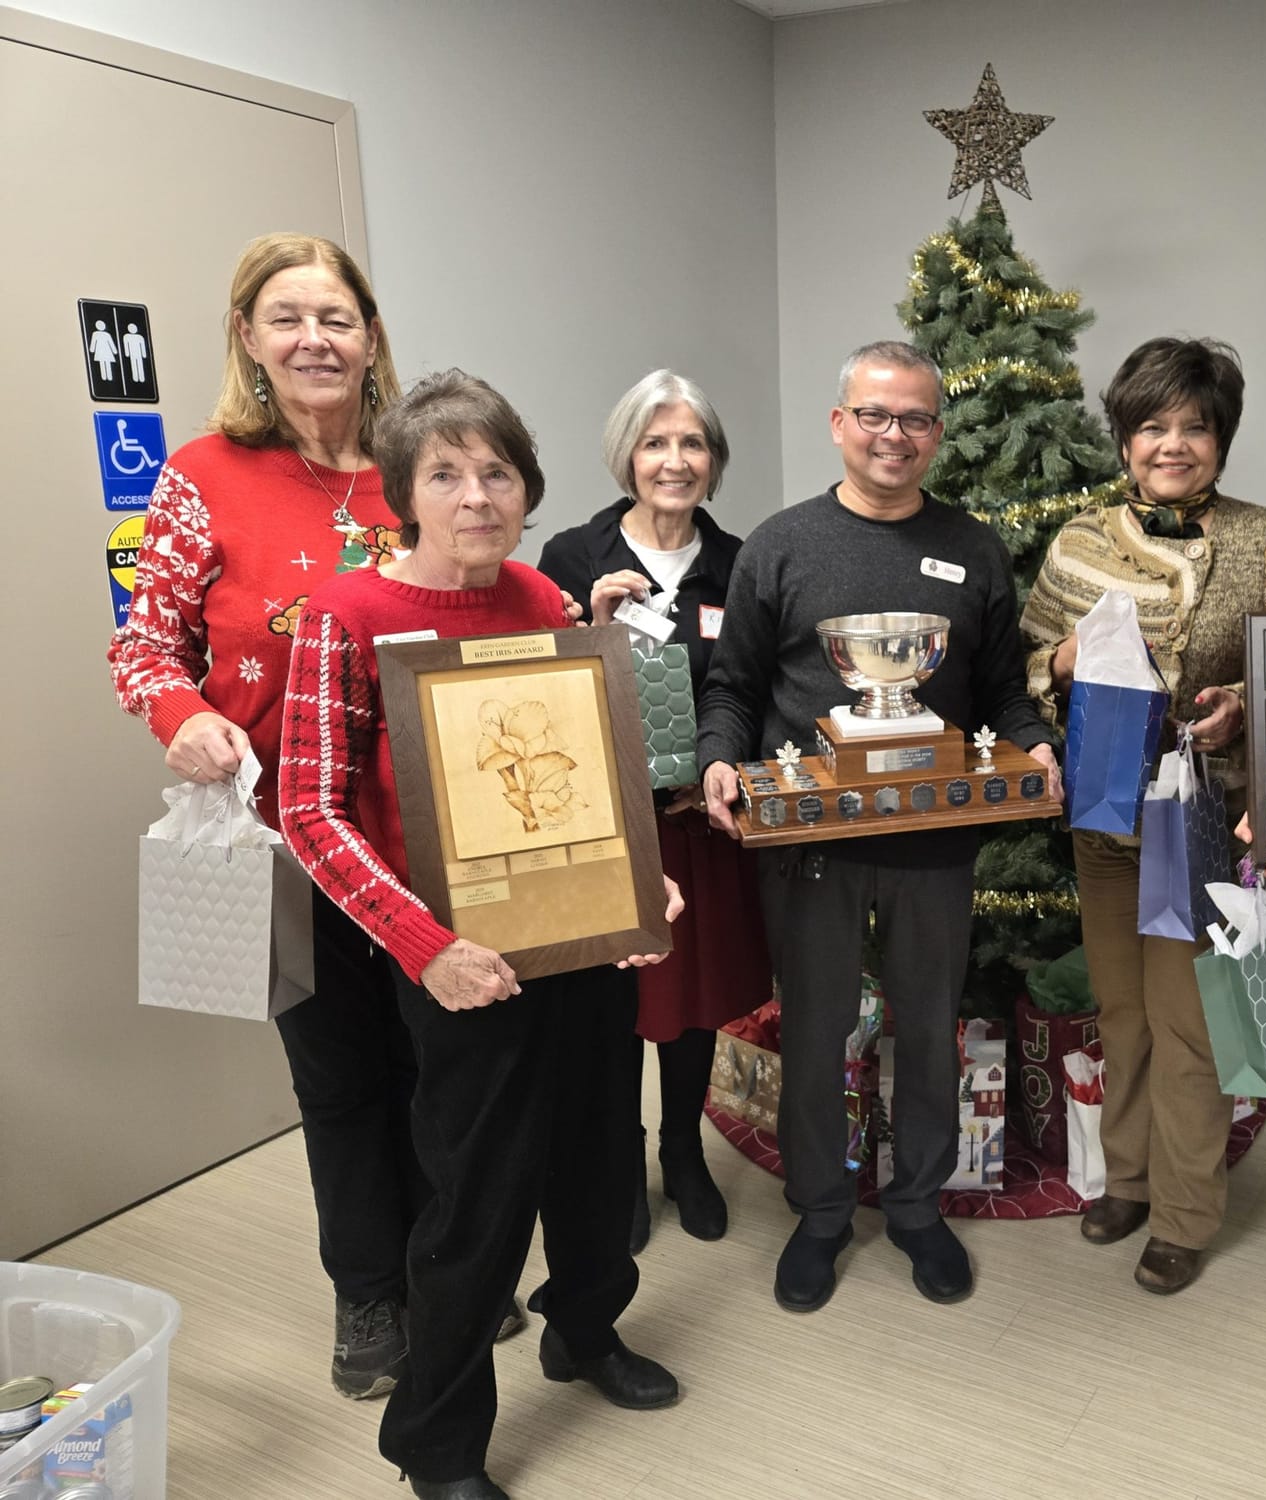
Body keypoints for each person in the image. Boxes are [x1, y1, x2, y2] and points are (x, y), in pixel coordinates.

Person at [279, 371, 685, 1500]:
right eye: (447, 474)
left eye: (497, 471)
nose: (477, 495)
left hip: (585, 944)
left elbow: (597, 770)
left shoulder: (541, 602)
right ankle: (437, 1443)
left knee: (604, 1164)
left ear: (526, 487)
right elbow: (307, 810)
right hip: (461, 968)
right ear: (404, 492)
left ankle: (585, 1331)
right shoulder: (347, 618)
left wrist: (645, 888)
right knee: (476, 1203)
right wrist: (425, 947)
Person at [106, 232, 480, 1400]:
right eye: (287, 318)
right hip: (289, 840)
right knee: (340, 1074)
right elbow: (142, 643)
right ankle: (369, 1292)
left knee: (446, 1061)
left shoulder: (418, 465)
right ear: (249, 339)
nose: (315, 339)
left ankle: (451, 1269)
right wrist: (175, 713)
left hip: (428, 832)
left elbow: (480, 602)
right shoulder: (203, 473)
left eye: (337, 316)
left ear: (371, 336)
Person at [699, 340, 1060, 1313]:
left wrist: (1034, 745)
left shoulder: (974, 548)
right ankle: (819, 1212)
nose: (893, 435)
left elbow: (999, 689)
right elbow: (732, 686)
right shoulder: (779, 545)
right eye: (874, 415)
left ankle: (913, 1207)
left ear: (937, 432)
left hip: (931, 836)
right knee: (814, 1031)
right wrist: (718, 758)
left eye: (914, 419)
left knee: (928, 1028)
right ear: (838, 423)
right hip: (811, 842)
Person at [1020, 336, 1266, 1294]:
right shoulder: (1078, 539)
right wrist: (1063, 664)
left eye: (1193, 427)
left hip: (1195, 822)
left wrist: (1244, 701)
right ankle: (1125, 1179)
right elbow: (1031, 669)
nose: (1172, 444)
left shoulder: (1265, 538)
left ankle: (1187, 1212)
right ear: (1125, 441)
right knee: (1121, 1012)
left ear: (1221, 439)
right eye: (1152, 426)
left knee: (1186, 1019)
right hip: (1104, 821)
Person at [538, 370, 770, 1252]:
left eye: (693, 444)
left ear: (713, 460)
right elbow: (538, 686)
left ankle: (685, 1151)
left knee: (696, 995)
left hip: (698, 821)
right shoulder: (570, 554)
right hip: (606, 824)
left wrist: (718, 763)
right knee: (614, 997)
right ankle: (622, 1158)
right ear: (626, 455)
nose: (675, 462)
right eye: (655, 442)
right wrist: (588, 630)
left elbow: (754, 686)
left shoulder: (742, 560)